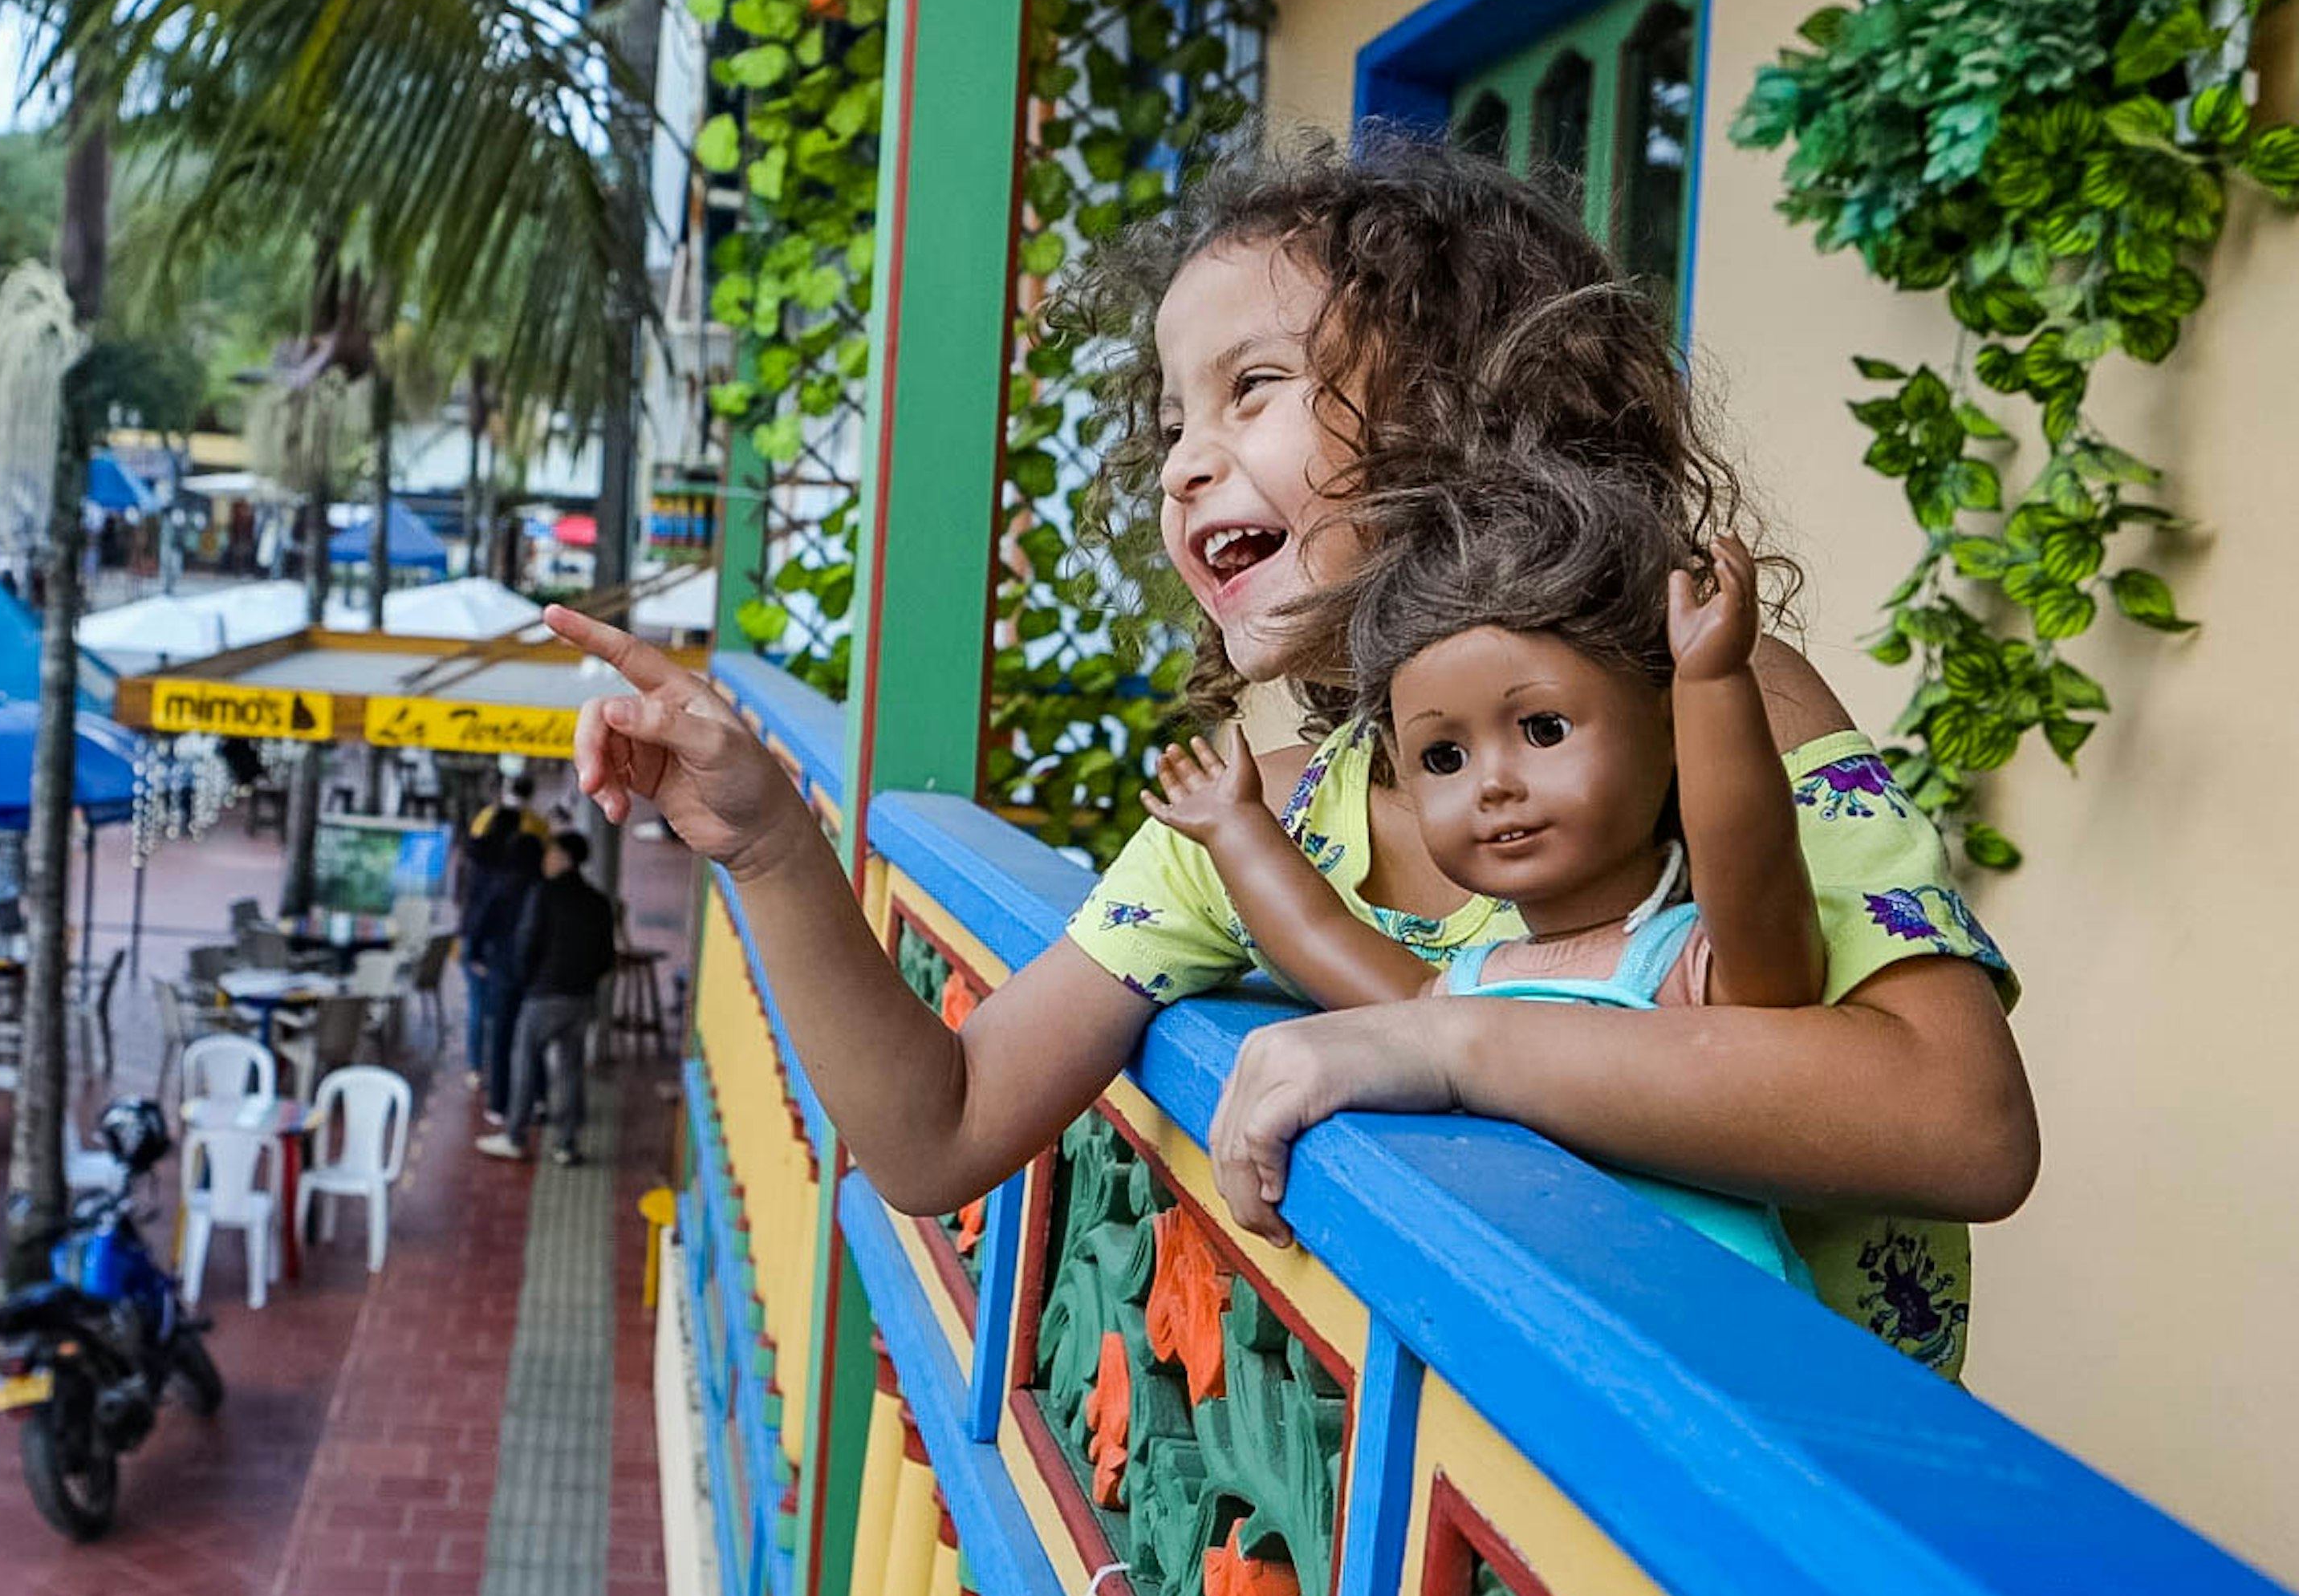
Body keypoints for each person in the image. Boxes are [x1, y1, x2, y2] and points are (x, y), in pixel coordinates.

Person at [542, 126, 2037, 1377]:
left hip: (1807, 1536)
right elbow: (936, 1130)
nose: (1187, 460)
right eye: (1171, 421)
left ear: (1461, 401)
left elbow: (1961, 1124)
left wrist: (1449, 1040)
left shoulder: (1704, 695)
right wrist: (770, 842)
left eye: (1251, 387)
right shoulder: (1267, 820)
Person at [1152, 457, 1822, 1274]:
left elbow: (1753, 872)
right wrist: (1238, 831)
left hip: (1692, 1348)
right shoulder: (1469, 985)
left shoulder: (1693, 965)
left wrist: (1714, 684)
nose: (1494, 783)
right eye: (1444, 756)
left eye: (1543, 729)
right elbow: (1322, 935)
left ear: (1665, 726)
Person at [477, 830, 615, 1167]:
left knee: (523, 1063)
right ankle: (566, 1145)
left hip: (543, 994)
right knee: (570, 1070)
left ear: (565, 857)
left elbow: (527, 941)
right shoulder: (598, 901)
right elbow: (607, 956)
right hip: (581, 998)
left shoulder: (544, 893)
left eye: (551, 853)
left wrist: (527, 980)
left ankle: (514, 1137)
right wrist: (585, 982)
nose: (546, 859)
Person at [464, 830, 546, 1123]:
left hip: (502, 973)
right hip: (536, 977)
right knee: (534, 1040)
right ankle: (539, 1099)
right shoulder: (543, 888)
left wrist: (475, 957)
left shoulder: (501, 887)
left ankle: (499, 1104)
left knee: (500, 1040)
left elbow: (478, 926)